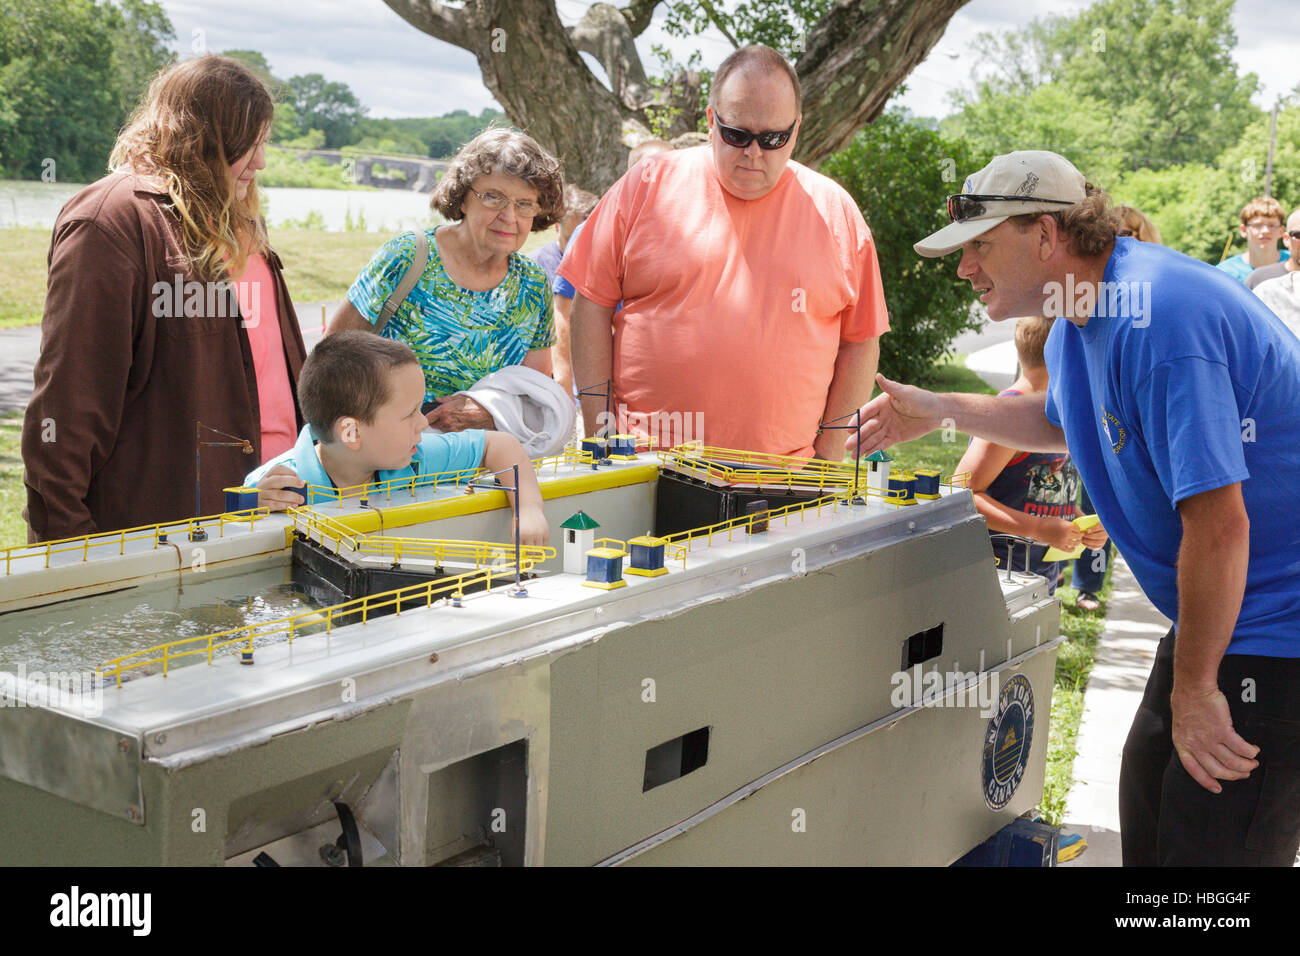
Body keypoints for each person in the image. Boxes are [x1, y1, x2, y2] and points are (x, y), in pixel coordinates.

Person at [847, 150, 1300, 866]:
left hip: (1277, 632)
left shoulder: (1160, 317)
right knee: (1151, 825)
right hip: (1226, 616)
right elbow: (1062, 421)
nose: (965, 270)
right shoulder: (1078, 316)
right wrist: (938, 412)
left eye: (980, 247)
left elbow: (1220, 524)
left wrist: (1197, 687)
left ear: (1046, 236)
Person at [21, 55, 307, 542]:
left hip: (269, 527)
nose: (259, 162)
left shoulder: (238, 224)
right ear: (200, 139)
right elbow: (68, 407)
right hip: (161, 545)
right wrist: (65, 552)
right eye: (247, 144)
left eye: (263, 143)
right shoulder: (110, 222)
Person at [559, 45, 889, 460]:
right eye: (737, 135)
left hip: (785, 479)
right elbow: (590, 303)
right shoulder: (646, 184)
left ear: (797, 130)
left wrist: (829, 453)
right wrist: (598, 431)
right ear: (712, 120)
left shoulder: (836, 211)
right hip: (644, 464)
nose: (754, 153)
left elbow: (862, 340)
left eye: (773, 138)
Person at [328, 128, 562, 434]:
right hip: (387, 463)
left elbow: (536, 393)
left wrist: (492, 415)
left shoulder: (533, 284)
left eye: (524, 204)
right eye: (494, 197)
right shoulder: (407, 257)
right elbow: (331, 357)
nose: (509, 216)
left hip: (487, 467)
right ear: (463, 197)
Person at [247, 332, 548, 546]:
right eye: (409, 414)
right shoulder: (276, 487)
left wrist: (529, 509)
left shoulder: (412, 455)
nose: (423, 422)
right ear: (351, 433)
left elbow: (501, 445)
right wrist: (249, 506)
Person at [953, 317, 1105, 592]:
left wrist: (1079, 522)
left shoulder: (1060, 412)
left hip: (1040, 575)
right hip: (997, 576)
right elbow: (963, 493)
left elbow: (1048, 492)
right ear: (1065, 351)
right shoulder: (1010, 415)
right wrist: (1039, 528)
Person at [550, 141, 672, 401]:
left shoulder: (686, 233)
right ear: (630, 176)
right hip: (598, 390)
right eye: (650, 172)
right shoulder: (596, 229)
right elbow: (564, 310)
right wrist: (564, 383)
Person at [531, 184, 598, 283]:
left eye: (586, 240)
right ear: (557, 227)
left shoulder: (606, 264)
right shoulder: (535, 268)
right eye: (571, 239)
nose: (577, 248)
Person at [1215, 196, 1289, 284]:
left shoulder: (1293, 263)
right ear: (1243, 230)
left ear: (1281, 231)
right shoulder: (1225, 272)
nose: (1265, 231)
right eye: (1257, 225)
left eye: (1272, 225)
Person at [1245, 206, 1299, 289]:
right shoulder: (1259, 280)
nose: (1265, 230)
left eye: (1271, 225)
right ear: (1286, 239)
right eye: (1298, 235)